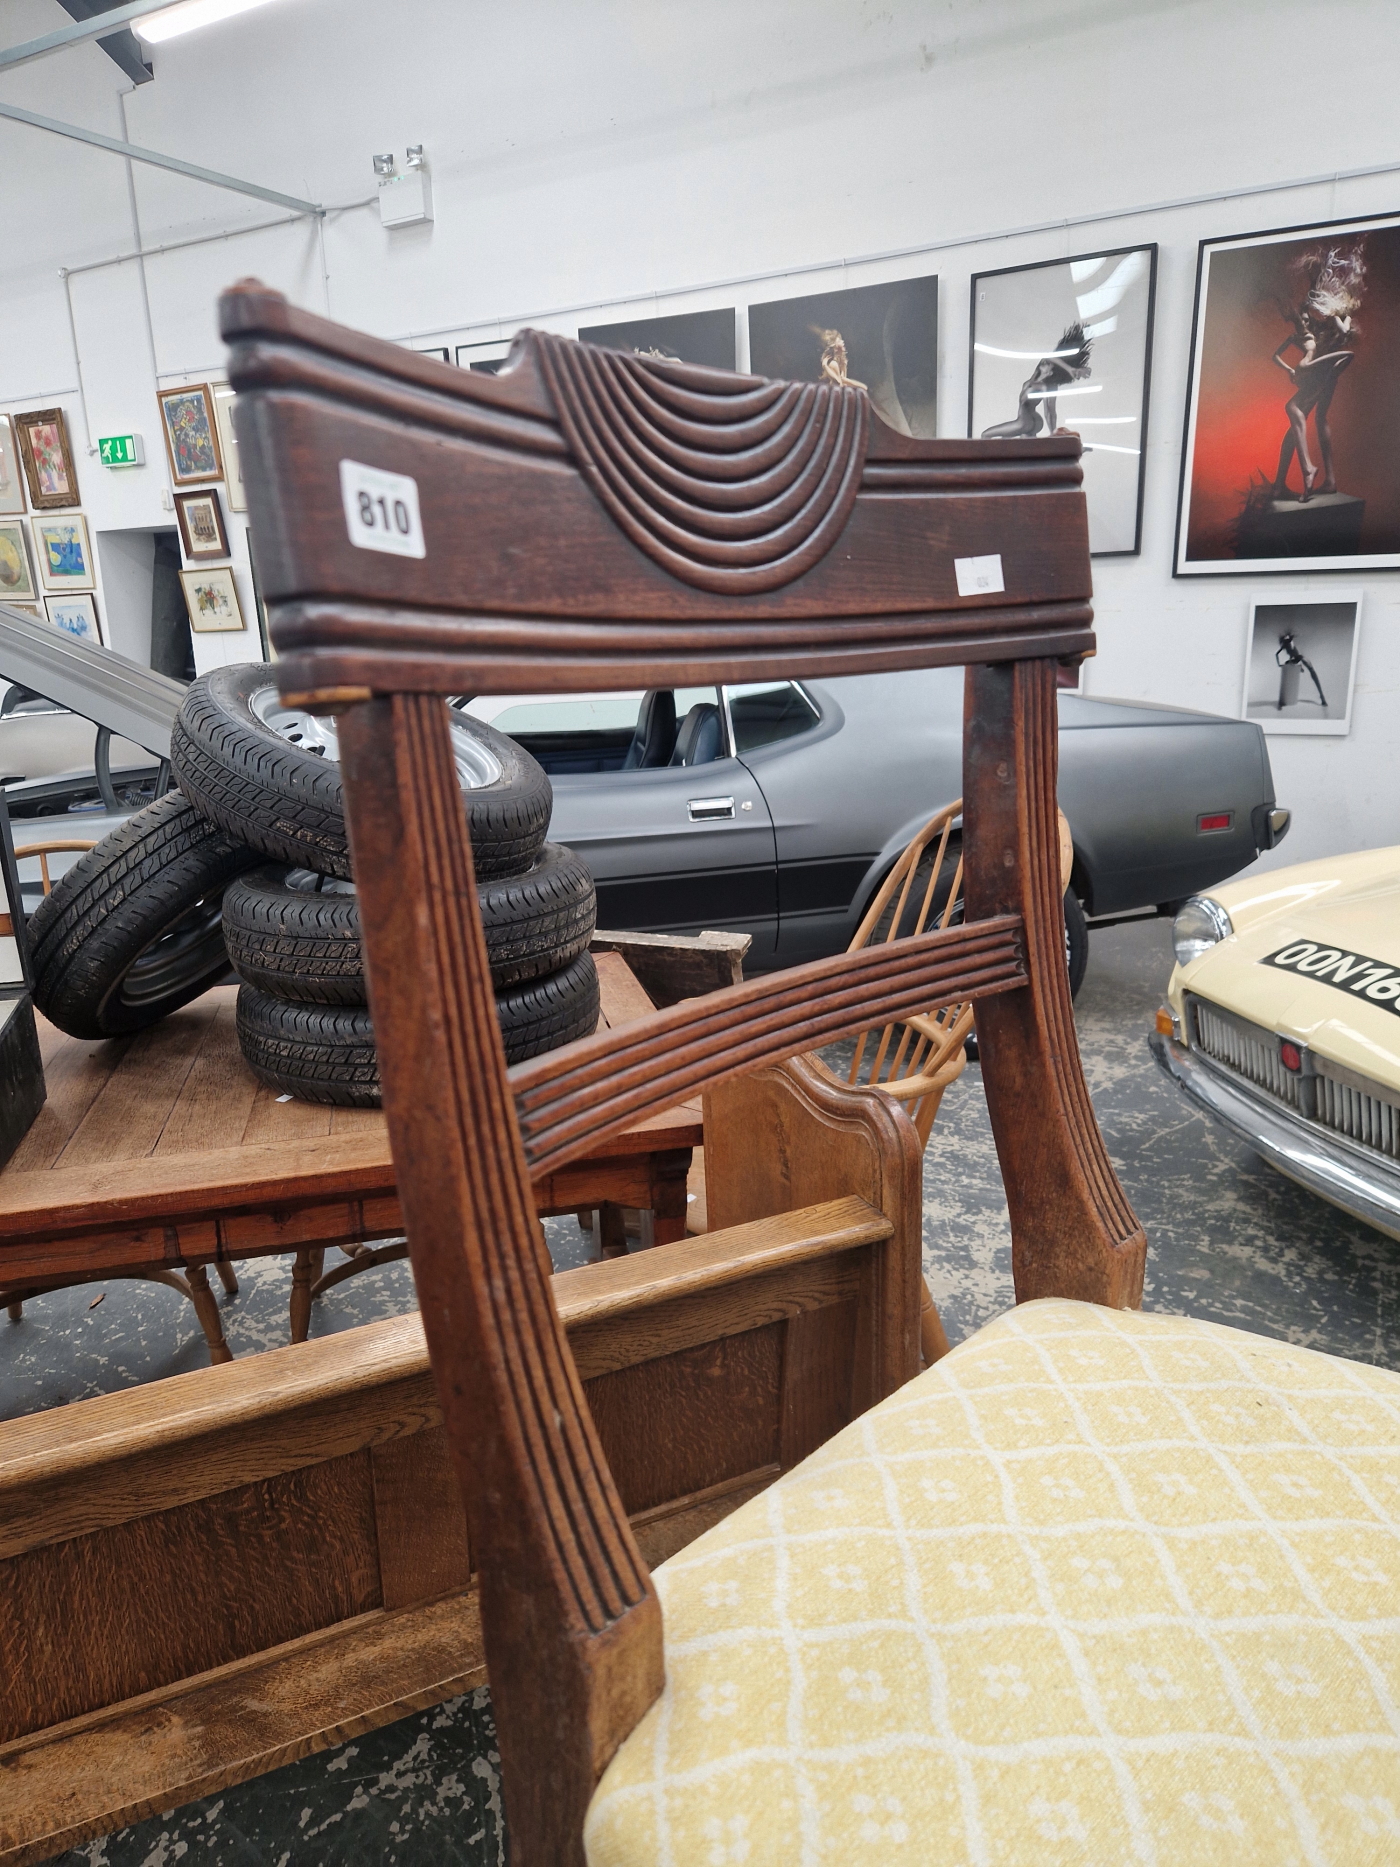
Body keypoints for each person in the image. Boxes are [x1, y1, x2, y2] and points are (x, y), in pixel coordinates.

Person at [1270, 244, 1364, 502]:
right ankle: (1323, 479)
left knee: (1299, 414)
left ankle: (1304, 476)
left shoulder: (1336, 314)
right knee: (1310, 418)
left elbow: (1343, 333)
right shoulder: (1319, 311)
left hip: (1323, 373)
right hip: (1319, 371)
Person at [981, 323, 1092, 439]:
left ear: (1050, 372)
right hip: (1032, 422)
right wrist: (1069, 368)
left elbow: (1050, 412)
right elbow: (1049, 357)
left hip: (1023, 422)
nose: (1044, 363)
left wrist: (1053, 433)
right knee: (1023, 453)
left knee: (985, 435)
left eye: (1048, 365)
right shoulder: (1035, 377)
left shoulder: (1045, 386)